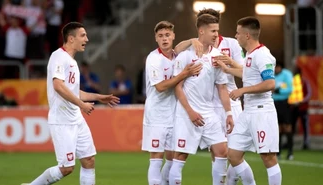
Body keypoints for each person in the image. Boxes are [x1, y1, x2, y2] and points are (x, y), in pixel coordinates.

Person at [22, 22, 120, 185]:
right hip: (62, 120)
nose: (87, 39)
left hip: (76, 119)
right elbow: (58, 86)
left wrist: (98, 97)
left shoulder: (72, 62)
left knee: (89, 160)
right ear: (71, 38)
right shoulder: (58, 57)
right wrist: (82, 105)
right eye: (83, 35)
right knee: (66, 168)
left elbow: (74, 92)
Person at [174, 8, 244, 184]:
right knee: (181, 155)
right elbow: (177, 87)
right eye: (213, 31)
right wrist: (190, 112)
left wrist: (229, 114)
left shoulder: (216, 57)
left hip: (209, 113)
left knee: (222, 151)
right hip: (186, 114)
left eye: (217, 31)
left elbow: (222, 88)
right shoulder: (186, 55)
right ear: (201, 31)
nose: (216, 35)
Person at [218, 17, 282, 185]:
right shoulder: (249, 55)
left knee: (268, 157)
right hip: (248, 113)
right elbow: (248, 75)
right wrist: (227, 69)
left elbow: (270, 83)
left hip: (262, 112)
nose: (235, 36)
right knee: (233, 154)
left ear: (247, 35)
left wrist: (242, 90)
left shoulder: (263, 54)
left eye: (238, 33)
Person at [142, 20, 202, 185]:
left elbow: (180, 47)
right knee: (156, 157)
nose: (164, 39)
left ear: (173, 36)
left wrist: (192, 41)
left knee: (172, 158)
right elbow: (161, 87)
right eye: (160, 36)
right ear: (156, 38)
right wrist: (184, 73)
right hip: (156, 115)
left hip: (174, 114)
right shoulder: (154, 59)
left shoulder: (177, 55)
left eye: (167, 35)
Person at [272, 62, 293, 160]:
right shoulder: (271, 74)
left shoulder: (287, 74)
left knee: (287, 127)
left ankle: (290, 152)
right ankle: (278, 152)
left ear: (280, 67)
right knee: (278, 128)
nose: (275, 70)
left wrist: (279, 91)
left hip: (284, 103)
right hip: (274, 103)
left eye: (276, 68)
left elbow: (290, 88)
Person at [288, 66, 312, 150]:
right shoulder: (292, 82)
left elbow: (309, 94)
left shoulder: (304, 82)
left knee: (305, 126)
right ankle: (290, 142)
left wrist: (302, 101)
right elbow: (289, 93)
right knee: (291, 126)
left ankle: (306, 143)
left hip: (302, 107)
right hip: (293, 107)